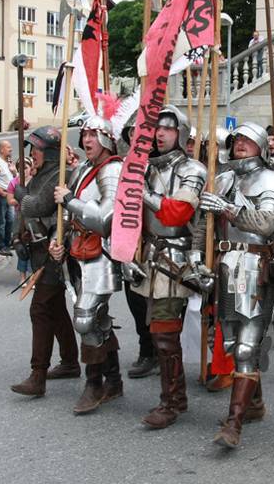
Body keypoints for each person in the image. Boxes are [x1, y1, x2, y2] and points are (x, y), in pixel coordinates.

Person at [199, 121, 274, 449]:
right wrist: (200, 261)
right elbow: (204, 226)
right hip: (224, 267)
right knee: (231, 345)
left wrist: (226, 207)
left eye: (247, 140)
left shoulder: (273, 180)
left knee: (247, 348)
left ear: (261, 147)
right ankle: (253, 404)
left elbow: (266, 224)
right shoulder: (221, 178)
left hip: (255, 267)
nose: (240, 143)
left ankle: (233, 423)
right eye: (237, 139)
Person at [134, 105, 207, 429]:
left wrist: (143, 192)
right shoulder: (145, 168)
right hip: (149, 257)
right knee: (158, 332)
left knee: (164, 334)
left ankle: (173, 401)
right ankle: (252, 398)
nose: (160, 133)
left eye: (168, 128)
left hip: (178, 258)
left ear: (182, 133)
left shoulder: (193, 169)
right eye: (157, 128)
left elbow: (176, 213)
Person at [50, 112, 124, 415]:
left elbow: (105, 219)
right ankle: (114, 379)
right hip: (79, 250)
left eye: (93, 135)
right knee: (98, 319)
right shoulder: (82, 169)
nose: (87, 140)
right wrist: (59, 242)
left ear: (106, 138)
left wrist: (70, 201)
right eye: (84, 135)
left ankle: (93, 384)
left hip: (102, 254)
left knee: (85, 318)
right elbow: (69, 218)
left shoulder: (113, 170)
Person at [10, 126, 80, 398]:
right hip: (39, 250)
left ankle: (37, 375)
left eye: (37, 149)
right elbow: (25, 213)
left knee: (40, 310)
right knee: (55, 309)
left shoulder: (59, 176)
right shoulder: (38, 174)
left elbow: (37, 206)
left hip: (55, 251)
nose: (32, 154)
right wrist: (17, 238)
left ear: (50, 152)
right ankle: (71, 361)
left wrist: (20, 195)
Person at [119, 111, 158, 379]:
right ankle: (148, 351)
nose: (136, 137)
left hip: (159, 241)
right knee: (135, 300)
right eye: (132, 133)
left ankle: (166, 352)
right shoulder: (120, 165)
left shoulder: (161, 166)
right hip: (130, 240)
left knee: (164, 305)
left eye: (140, 133)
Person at [7, 157, 33, 283]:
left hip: (34, 217)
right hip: (20, 217)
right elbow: (10, 200)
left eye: (26, 168)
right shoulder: (14, 183)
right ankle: (22, 277)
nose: (24, 171)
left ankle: (33, 276)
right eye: (21, 169)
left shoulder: (35, 181)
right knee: (21, 246)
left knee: (35, 246)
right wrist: (22, 199)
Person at [0, 140, 16, 255]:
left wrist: (14, 171)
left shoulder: (9, 161)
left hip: (9, 194)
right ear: (1, 149)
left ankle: (7, 243)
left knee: (10, 220)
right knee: (1, 221)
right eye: (8, 147)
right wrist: (0, 191)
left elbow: (14, 177)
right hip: (1, 195)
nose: (10, 149)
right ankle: (1, 246)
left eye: (10, 147)